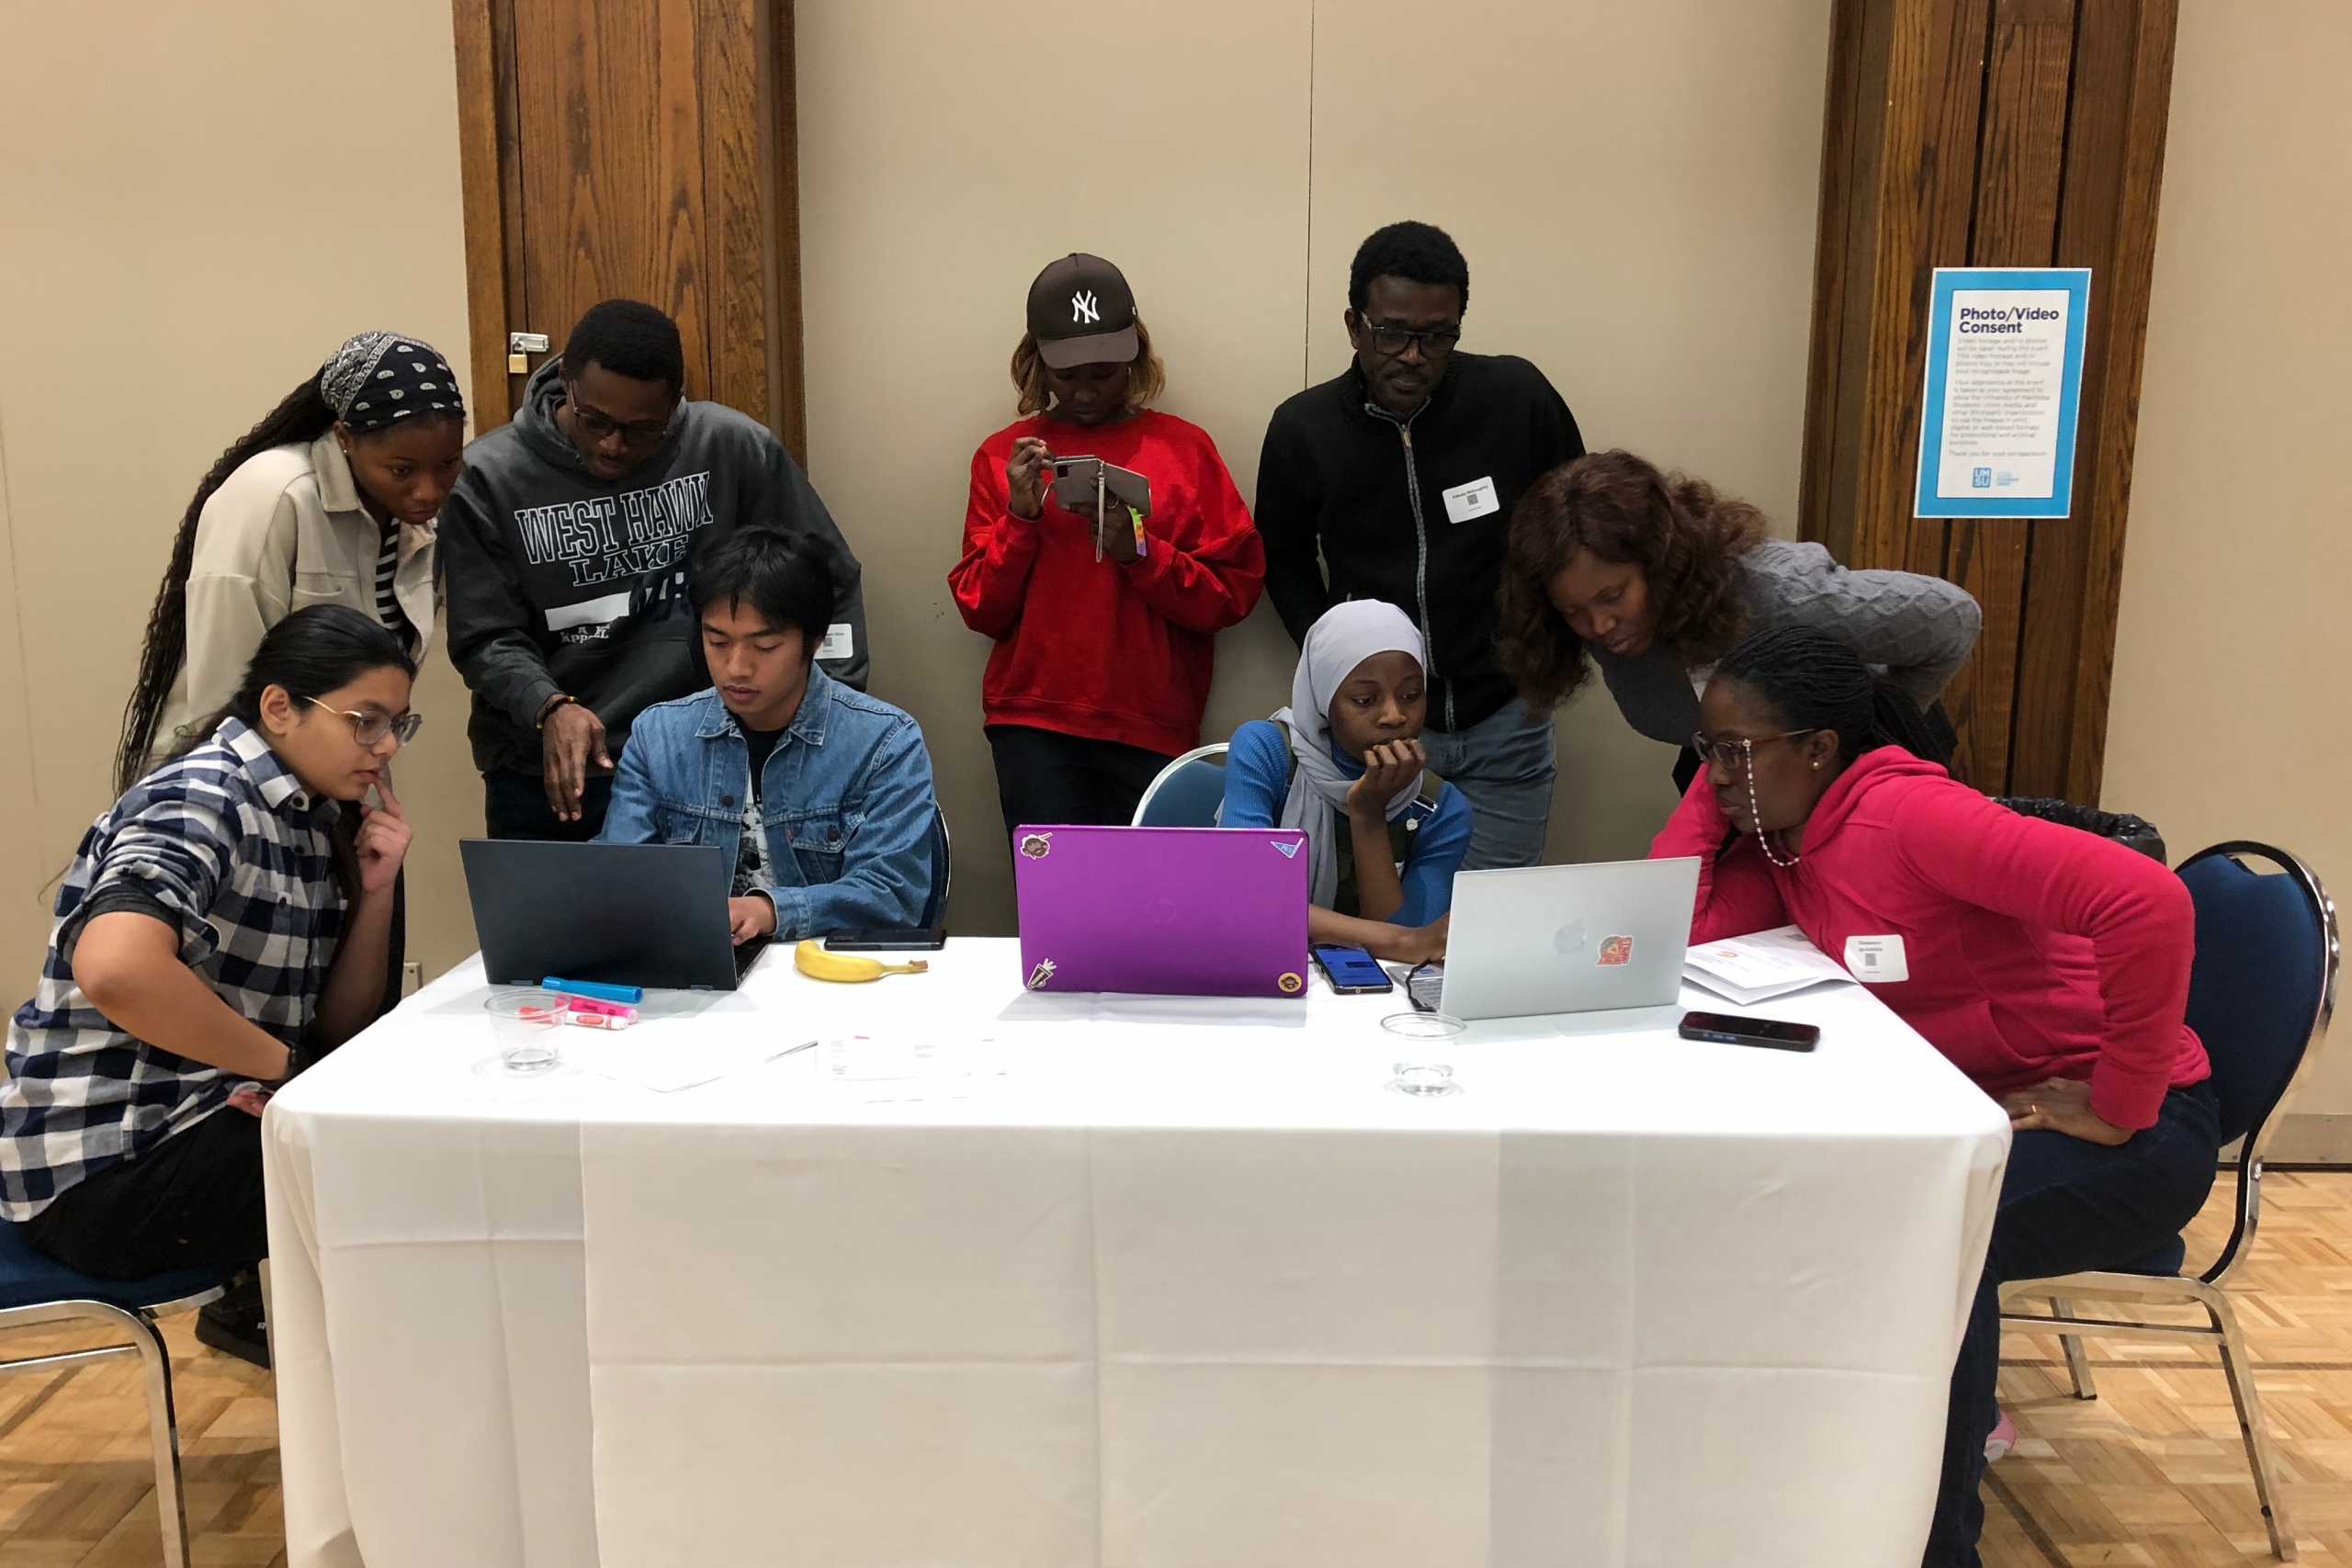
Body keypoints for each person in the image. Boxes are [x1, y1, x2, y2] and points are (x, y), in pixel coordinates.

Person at [1652, 626, 2216, 1568]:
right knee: (1844, 1206)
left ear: (1819, 748)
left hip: (2139, 1130)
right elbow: (1680, 930)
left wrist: (2121, 1100)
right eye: (1704, 752)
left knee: (1933, 1232)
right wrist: (1719, 801)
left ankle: (1937, 1547)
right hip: (1981, 1111)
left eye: (1731, 752)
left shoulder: (1909, 819)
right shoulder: (1789, 839)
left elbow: (2147, 903)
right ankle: (1817, 1483)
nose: (1710, 774)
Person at [3, 606, 422, 1369]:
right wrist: (280, 1073)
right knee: (403, 1161)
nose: (386, 746)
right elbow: (118, 966)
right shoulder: (205, 796)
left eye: (398, 723)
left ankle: (380, 1397)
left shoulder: (306, 812)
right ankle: (398, 1402)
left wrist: (377, 891)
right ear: (278, 706)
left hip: (183, 1132)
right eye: (366, 720)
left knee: (401, 1142)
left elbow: (338, 1026)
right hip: (103, 1170)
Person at [443, 299, 869, 842]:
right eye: (594, 420)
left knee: (731, 924)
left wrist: (831, 713)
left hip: (709, 758)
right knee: (557, 928)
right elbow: (485, 636)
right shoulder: (488, 477)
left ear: (675, 404)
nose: (612, 444)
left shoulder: (730, 447)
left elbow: (822, 582)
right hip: (558, 770)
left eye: (643, 430)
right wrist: (548, 705)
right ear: (566, 378)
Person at [1255, 220, 1583, 870]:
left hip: (1505, 722)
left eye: (1437, 336)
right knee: (1391, 932)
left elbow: (1579, 524)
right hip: (1380, 730)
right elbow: (1283, 560)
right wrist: (1341, 670)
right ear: (1355, 327)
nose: (1413, 354)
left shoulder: (1515, 401)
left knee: (1488, 933)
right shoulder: (1304, 430)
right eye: (1393, 333)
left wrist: (1544, 654)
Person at [950, 253, 1263, 840]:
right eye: (1069, 374)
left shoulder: (1185, 451)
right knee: (1056, 913)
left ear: (1135, 357)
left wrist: (1138, 552)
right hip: (1033, 721)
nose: (1088, 391)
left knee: (1153, 916)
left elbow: (1233, 595)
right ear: (1035, 363)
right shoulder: (1003, 456)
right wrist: (1021, 517)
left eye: (1106, 372)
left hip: (1150, 723)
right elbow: (980, 610)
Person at [1497, 449, 1981, 791]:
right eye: (1573, 611)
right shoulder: (1597, 627)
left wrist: (1863, 747)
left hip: (1862, 767)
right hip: (1746, 770)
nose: (1599, 627)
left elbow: (1954, 620)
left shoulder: (1779, 592)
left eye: (1613, 596)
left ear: (1660, 563)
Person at [117, 331, 462, 791]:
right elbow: (224, 691)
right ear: (344, 438)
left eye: (447, 464)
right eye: (402, 470)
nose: (429, 491)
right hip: (231, 789)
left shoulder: (409, 515)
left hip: (332, 784)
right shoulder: (272, 497)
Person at [601, 526, 939, 942]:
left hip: (830, 973)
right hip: (698, 972)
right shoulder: (659, 735)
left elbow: (893, 896)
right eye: (717, 641)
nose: (737, 667)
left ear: (813, 641)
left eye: (764, 647)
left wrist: (768, 911)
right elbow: (620, 876)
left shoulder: (885, 742)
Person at [1222, 601, 1466, 964]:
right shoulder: (1267, 751)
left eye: (1411, 695)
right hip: (1261, 969)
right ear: (1323, 697)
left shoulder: (1440, 808)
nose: (1394, 715)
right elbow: (1249, 900)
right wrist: (1399, 941)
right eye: (1365, 699)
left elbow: (1407, 952)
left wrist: (1368, 814)